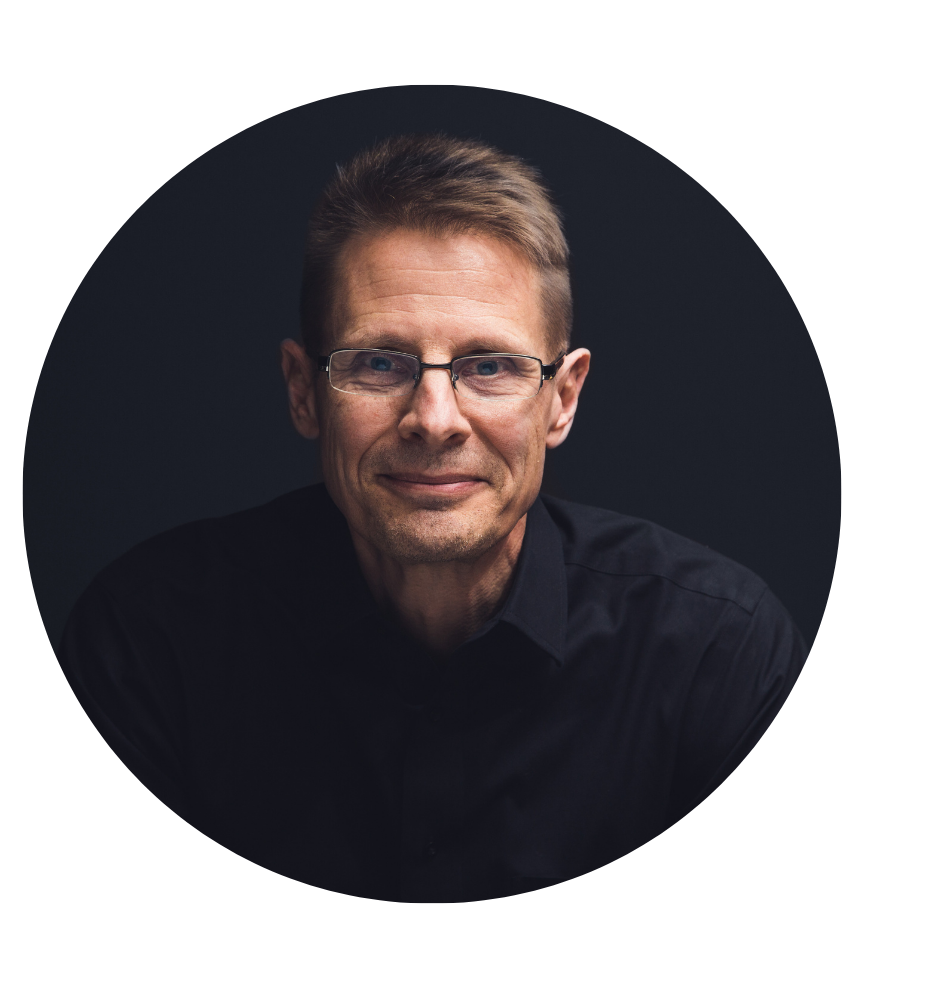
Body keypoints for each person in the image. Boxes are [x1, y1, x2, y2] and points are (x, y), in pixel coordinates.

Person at [60, 132, 807, 903]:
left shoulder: (716, 655)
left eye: (489, 366)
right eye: (379, 362)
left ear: (563, 398)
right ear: (303, 391)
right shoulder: (148, 643)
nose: (435, 419)